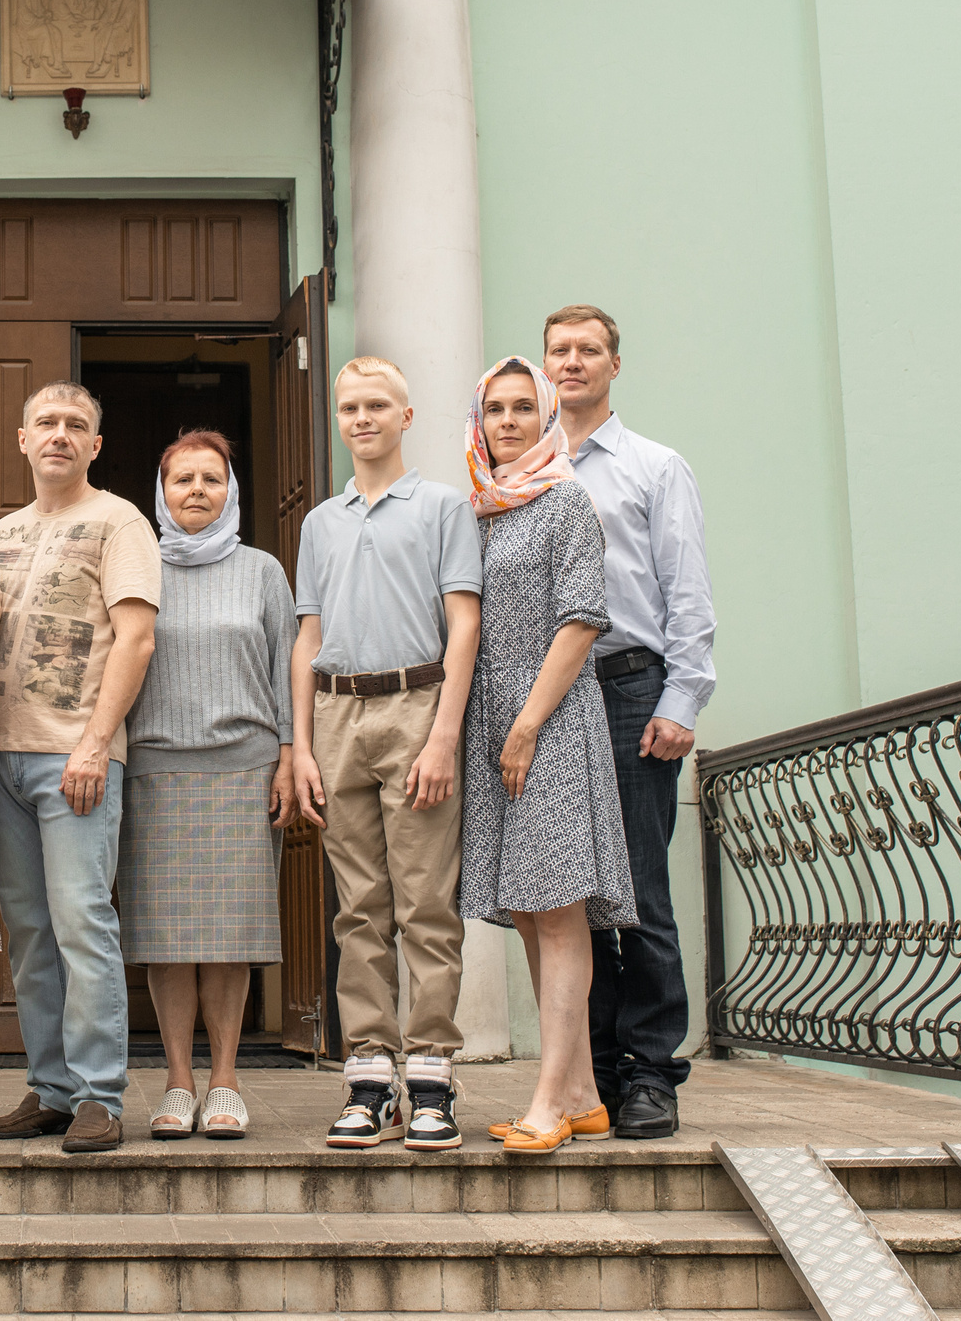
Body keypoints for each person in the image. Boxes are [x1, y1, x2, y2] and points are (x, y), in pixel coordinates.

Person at [0, 383, 159, 1155]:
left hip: (75, 758)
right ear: (23, 437)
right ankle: (51, 1088)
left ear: (95, 445)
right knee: (32, 933)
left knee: (81, 923)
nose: (60, 434)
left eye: (76, 425)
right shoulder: (2, 534)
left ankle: (100, 1094)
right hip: (2, 756)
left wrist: (96, 742)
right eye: (47, 422)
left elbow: (136, 638)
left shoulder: (119, 521)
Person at [286, 356, 481, 1153]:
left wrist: (444, 735)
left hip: (415, 705)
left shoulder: (443, 507)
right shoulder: (320, 522)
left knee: (426, 902)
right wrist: (301, 745)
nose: (361, 418)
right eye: (349, 407)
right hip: (337, 713)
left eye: (376, 405)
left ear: (406, 415)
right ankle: (369, 1077)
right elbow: (308, 635)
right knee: (358, 907)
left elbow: (463, 623)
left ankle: (431, 1077)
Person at [541, 303, 716, 1142]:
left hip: (631, 687)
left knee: (639, 890)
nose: (572, 362)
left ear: (614, 364)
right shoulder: (525, 467)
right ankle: (596, 1068)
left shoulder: (654, 465)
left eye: (588, 350)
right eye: (559, 351)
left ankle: (650, 1070)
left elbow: (688, 591)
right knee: (575, 893)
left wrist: (683, 699)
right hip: (552, 699)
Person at [458, 356, 637, 1154]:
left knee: (560, 909)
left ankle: (547, 1102)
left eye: (523, 407)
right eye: (495, 408)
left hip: (552, 720)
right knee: (531, 910)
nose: (508, 420)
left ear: (546, 417)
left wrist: (529, 722)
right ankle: (583, 1094)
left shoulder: (567, 500)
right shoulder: (483, 509)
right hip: (496, 724)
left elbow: (581, 619)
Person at [118, 431, 296, 1141]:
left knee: (228, 934)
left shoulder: (262, 571)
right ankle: (176, 1081)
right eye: (182, 479)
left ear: (231, 491)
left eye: (211, 479)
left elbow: (288, 666)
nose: (196, 489)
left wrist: (291, 755)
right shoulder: (137, 565)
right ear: (161, 493)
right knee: (166, 936)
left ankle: (224, 1080)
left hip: (245, 768)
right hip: (155, 768)